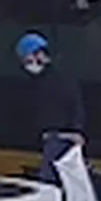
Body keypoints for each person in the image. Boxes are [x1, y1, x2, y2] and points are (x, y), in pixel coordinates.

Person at [16, 32, 86, 184]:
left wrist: (75, 130)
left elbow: (73, 104)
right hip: (55, 136)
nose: (28, 63)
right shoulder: (40, 80)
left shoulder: (58, 78)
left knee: (50, 182)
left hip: (60, 137)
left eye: (28, 58)